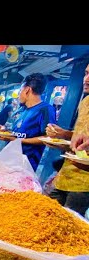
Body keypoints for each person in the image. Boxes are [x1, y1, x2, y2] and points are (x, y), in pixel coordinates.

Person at [45, 63, 89, 215]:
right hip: (65, 174)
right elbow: (80, 136)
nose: (86, 79)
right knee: (47, 216)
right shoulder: (85, 103)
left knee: (69, 228)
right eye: (86, 73)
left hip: (83, 184)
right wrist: (63, 134)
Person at [0, 73, 56, 171]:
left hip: (26, 164)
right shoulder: (21, 109)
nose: (19, 95)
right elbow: (16, 131)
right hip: (9, 158)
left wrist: (19, 140)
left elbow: (48, 138)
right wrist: (4, 130)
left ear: (27, 90)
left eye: (20, 91)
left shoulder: (45, 109)